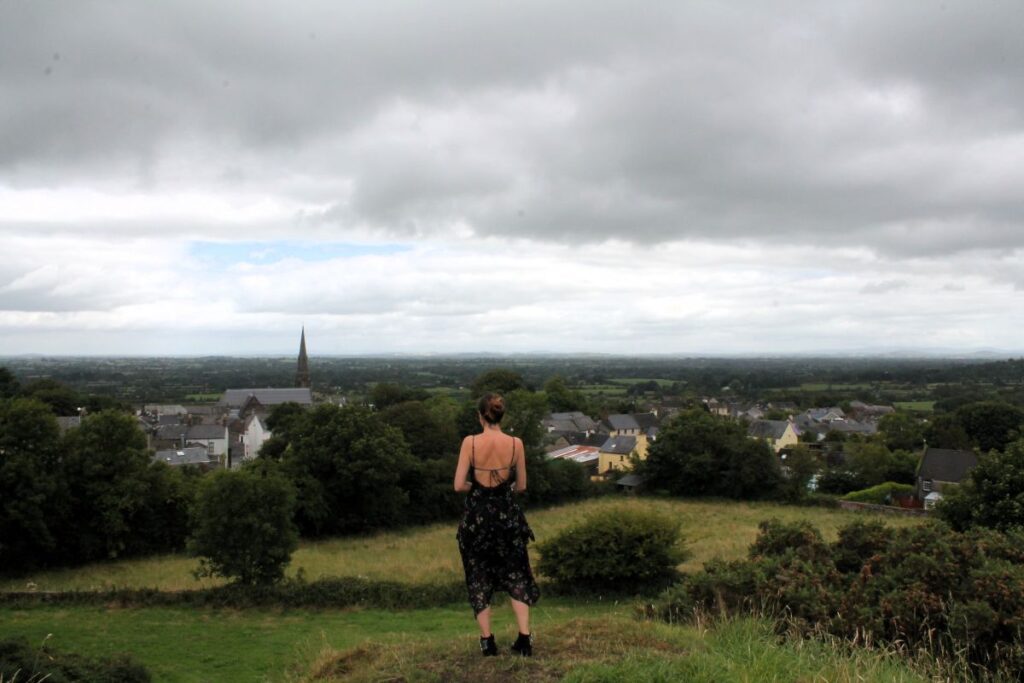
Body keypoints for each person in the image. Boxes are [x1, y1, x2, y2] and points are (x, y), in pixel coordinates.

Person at [454, 392, 540, 657]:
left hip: (477, 520)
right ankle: (524, 640)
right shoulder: (516, 444)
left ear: (480, 416)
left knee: (478, 575)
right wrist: (503, 492)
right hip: (507, 518)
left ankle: (487, 642)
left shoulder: (470, 442)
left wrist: (478, 490)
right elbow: (522, 485)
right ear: (501, 415)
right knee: (516, 573)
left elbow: (458, 485)